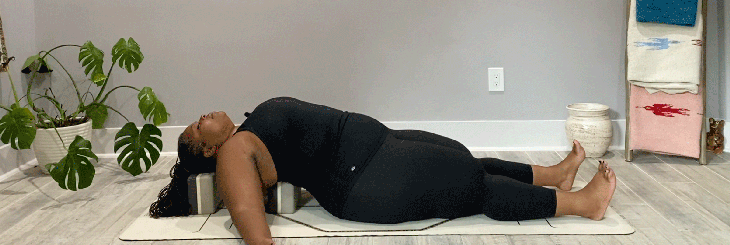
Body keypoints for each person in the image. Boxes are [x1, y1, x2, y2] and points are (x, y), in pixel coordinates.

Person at [150, 97, 616, 245]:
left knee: (464, 163)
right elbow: (249, 212)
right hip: (367, 178)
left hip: (375, 151)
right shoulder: (232, 151)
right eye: (197, 125)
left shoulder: (245, 132)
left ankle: (553, 176)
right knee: (472, 186)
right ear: (207, 150)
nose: (205, 113)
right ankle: (582, 205)